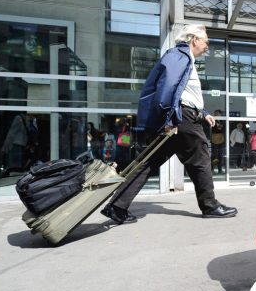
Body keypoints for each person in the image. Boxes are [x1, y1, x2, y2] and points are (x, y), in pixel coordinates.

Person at [100, 24, 237, 224]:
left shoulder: (183, 58)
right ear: (194, 40)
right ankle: (210, 206)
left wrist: (204, 112)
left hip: (181, 117)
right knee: (201, 159)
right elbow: (166, 89)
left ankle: (117, 206)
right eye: (206, 41)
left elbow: (184, 92)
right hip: (181, 119)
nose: (207, 46)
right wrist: (168, 118)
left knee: (149, 162)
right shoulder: (179, 56)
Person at [210, 110, 226, 174]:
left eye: (218, 113)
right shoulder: (212, 119)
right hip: (214, 138)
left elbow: (222, 128)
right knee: (214, 155)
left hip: (220, 138)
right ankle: (212, 169)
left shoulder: (222, 120)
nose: (217, 114)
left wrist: (220, 126)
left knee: (220, 155)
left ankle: (220, 169)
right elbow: (217, 128)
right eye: (215, 113)